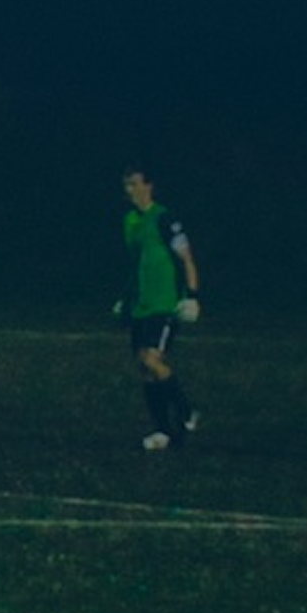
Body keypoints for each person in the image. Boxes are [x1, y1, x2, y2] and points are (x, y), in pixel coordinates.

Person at [118, 169, 207, 451]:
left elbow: (187, 258)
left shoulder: (165, 218)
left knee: (152, 359)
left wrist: (192, 295)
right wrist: (126, 299)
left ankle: (186, 410)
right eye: (126, 185)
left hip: (164, 303)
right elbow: (134, 263)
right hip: (140, 305)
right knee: (145, 369)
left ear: (149, 186)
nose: (129, 190)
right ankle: (163, 431)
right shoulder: (130, 221)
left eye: (134, 184)